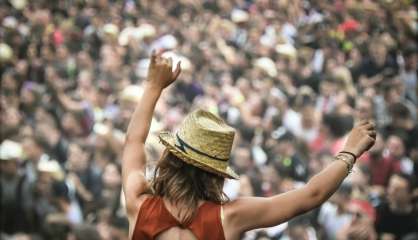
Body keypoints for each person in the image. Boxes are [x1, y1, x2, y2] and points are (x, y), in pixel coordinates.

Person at [122, 51, 377, 240]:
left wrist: (153, 87)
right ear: (216, 173)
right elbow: (310, 195)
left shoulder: (139, 202)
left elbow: (133, 141)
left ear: (170, 158)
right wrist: (349, 152)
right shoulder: (230, 216)